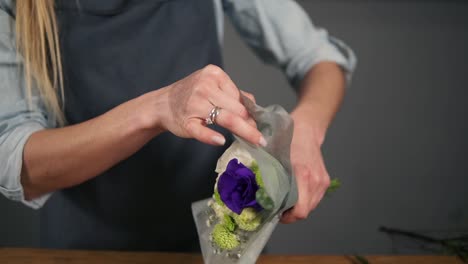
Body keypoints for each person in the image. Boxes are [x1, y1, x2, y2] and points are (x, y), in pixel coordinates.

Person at [0, 0, 356, 251]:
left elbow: (319, 58)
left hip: (217, 247)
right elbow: (19, 163)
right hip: (84, 250)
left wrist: (304, 130)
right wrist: (158, 108)